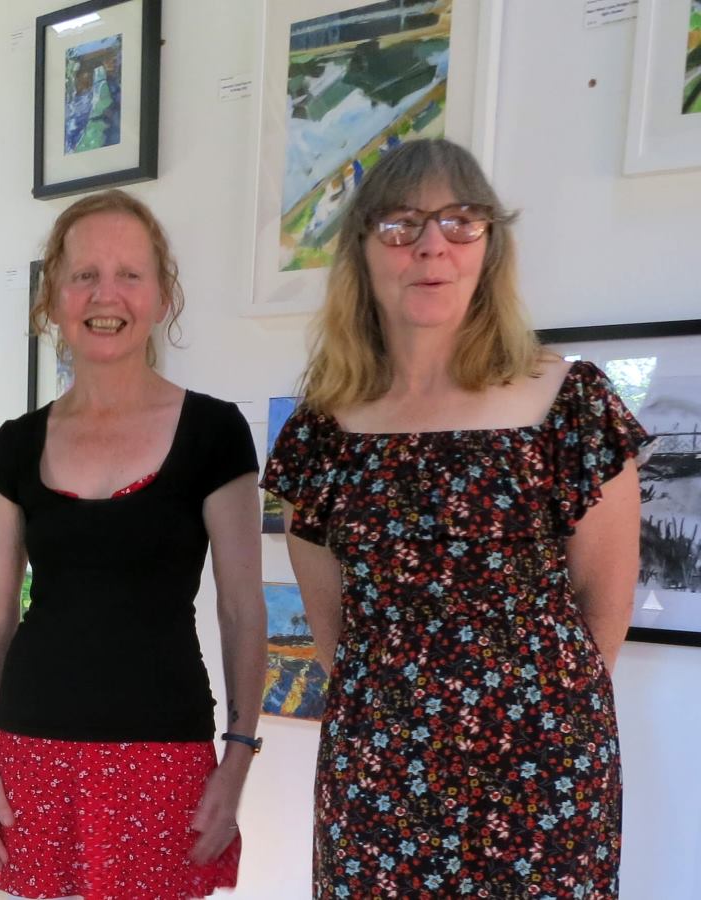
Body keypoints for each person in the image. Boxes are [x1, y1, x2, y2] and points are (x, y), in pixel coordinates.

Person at [261, 138, 646, 898]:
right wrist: (406, 712)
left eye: (460, 222)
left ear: (489, 246)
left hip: (545, 775)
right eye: (402, 225)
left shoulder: (570, 404)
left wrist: (521, 710)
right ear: (362, 250)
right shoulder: (321, 430)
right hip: (376, 772)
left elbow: (603, 612)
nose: (432, 245)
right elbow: (333, 623)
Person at [0, 189, 266, 900]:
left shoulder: (215, 434)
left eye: (130, 273)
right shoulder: (13, 446)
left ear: (162, 296)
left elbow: (242, 610)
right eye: (84, 274)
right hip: (30, 749)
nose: (107, 295)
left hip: (166, 754)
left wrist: (238, 758)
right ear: (53, 297)